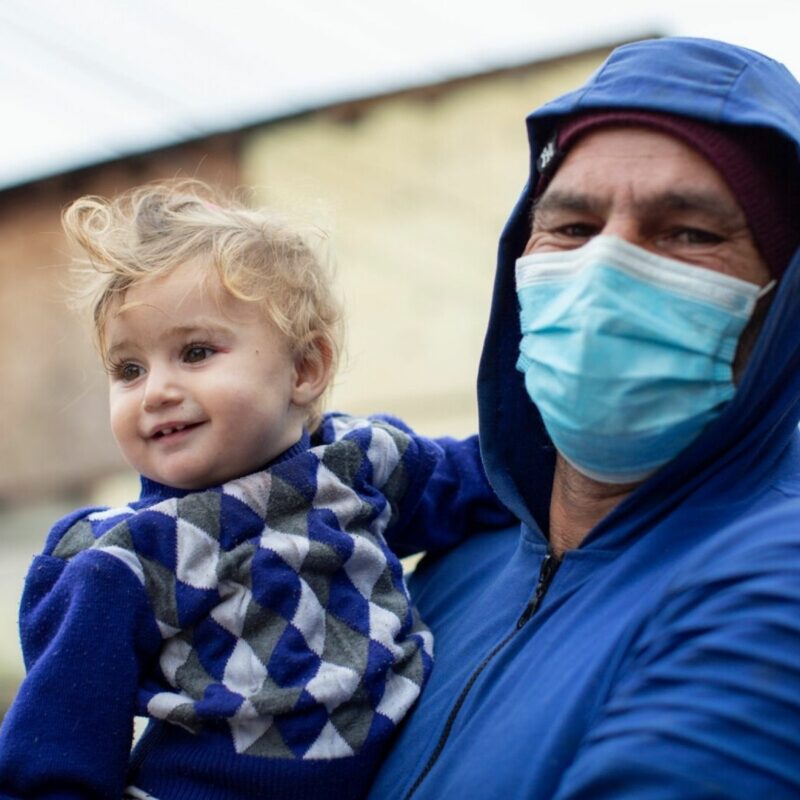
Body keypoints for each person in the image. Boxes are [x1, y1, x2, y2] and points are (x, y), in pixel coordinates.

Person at [368, 36, 800, 799]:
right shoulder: (450, 563)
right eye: (571, 227)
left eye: (689, 234)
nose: (606, 271)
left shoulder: (774, 583)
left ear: (783, 301)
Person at [0, 181, 509, 799]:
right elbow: (55, 747)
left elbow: (494, 475)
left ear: (304, 369)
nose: (155, 389)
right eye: (128, 369)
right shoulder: (130, 559)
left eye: (195, 351)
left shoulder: (357, 464)